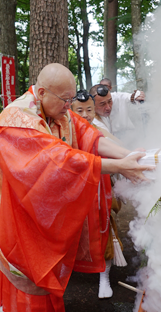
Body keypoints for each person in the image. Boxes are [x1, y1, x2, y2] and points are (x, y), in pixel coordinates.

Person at [0, 63, 153, 312]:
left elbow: (88, 136)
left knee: (19, 266)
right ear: (43, 91)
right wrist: (118, 166)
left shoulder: (55, 109)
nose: (68, 108)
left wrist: (126, 155)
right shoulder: (18, 120)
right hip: (13, 206)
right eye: (64, 100)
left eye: (71, 100)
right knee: (31, 268)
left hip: (24, 202)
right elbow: (60, 160)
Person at [71, 90, 128, 299]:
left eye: (89, 110)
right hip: (72, 191)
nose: (85, 114)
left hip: (99, 188)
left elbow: (115, 145)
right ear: (70, 110)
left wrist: (131, 155)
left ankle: (104, 277)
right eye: (80, 110)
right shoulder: (63, 130)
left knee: (103, 230)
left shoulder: (97, 128)